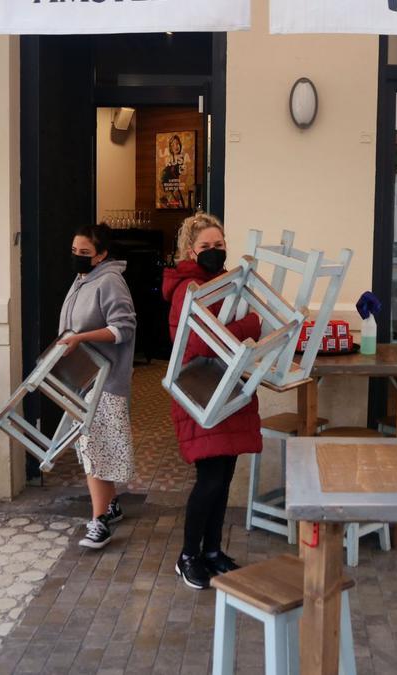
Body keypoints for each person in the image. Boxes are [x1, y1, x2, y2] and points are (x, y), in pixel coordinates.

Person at [162, 213, 261, 590]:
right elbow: (203, 343)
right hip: (201, 389)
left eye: (220, 246)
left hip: (226, 388)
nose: (214, 252)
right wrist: (249, 327)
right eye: (206, 247)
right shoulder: (189, 287)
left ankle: (213, 551)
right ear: (190, 250)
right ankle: (188, 555)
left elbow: (221, 336)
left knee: (223, 478)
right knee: (209, 480)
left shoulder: (222, 283)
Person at [58, 223, 137, 550]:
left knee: (96, 450)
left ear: (102, 254)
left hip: (104, 381)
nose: (77, 257)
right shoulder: (84, 279)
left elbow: (124, 328)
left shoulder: (109, 282)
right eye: (74, 251)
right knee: (94, 447)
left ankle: (100, 520)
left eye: (84, 253)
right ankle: (110, 505)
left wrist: (80, 338)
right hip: (86, 380)